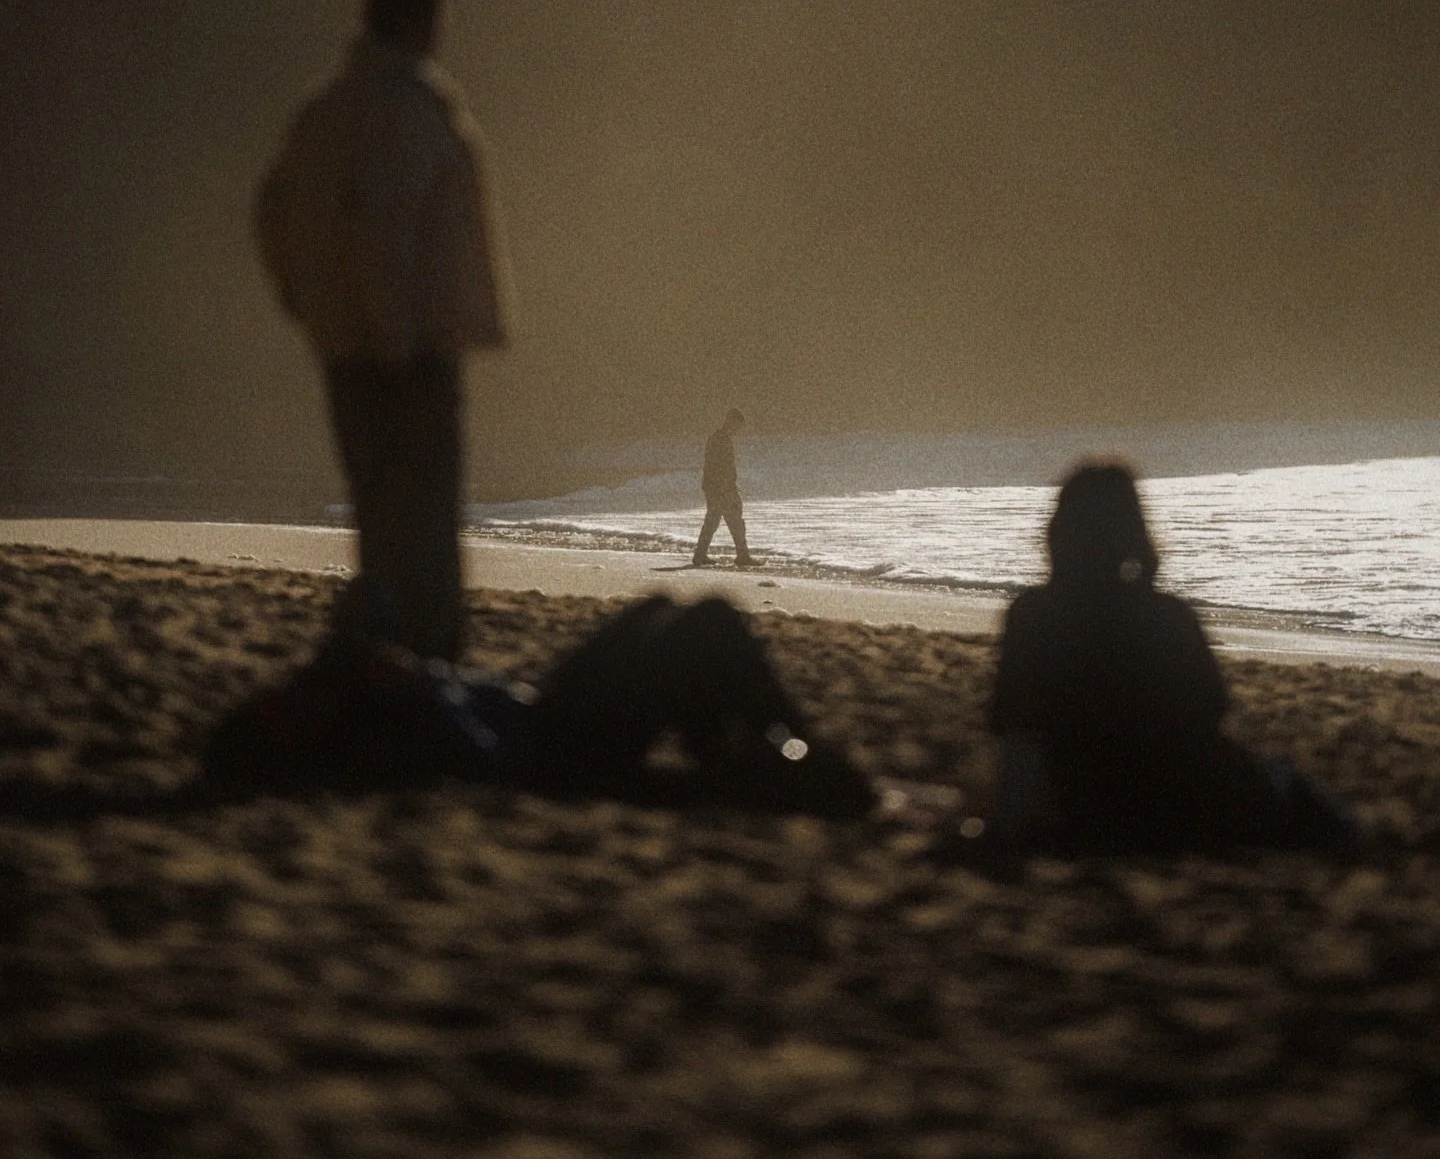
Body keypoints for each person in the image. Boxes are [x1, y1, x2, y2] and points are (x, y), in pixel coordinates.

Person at [254, 0, 509, 662]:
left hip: (347, 346)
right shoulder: (404, 108)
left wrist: (306, 303)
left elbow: (271, 210)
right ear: (421, 18)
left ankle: (386, 656)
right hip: (409, 351)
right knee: (424, 521)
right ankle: (425, 667)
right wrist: (396, 343)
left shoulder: (326, 108)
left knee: (378, 514)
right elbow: (382, 234)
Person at [941, 461, 1362, 865]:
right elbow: (1212, 712)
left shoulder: (1032, 614)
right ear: (1133, 532)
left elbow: (1014, 728)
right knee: (1288, 783)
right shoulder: (1169, 616)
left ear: (1060, 530)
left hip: (1085, 798)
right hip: (1182, 801)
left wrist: (1009, 821)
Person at [202, 592, 877, 818]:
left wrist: (362, 647)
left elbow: (372, 610)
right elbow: (481, 759)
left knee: (657, 608)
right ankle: (804, 751)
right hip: (556, 749)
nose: (294, 699)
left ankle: (725, 746)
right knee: (711, 623)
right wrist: (426, 689)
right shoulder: (372, 746)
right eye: (287, 715)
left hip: (542, 708)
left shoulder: (349, 699)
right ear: (294, 744)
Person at [693, 408, 756, 568]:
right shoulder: (721, 439)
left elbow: (714, 465)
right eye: (737, 426)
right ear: (731, 421)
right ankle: (742, 555)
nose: (738, 430)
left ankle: (700, 556)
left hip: (715, 486)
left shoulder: (718, 437)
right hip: (720, 487)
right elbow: (718, 466)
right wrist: (725, 485)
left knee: (713, 520)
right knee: (734, 520)